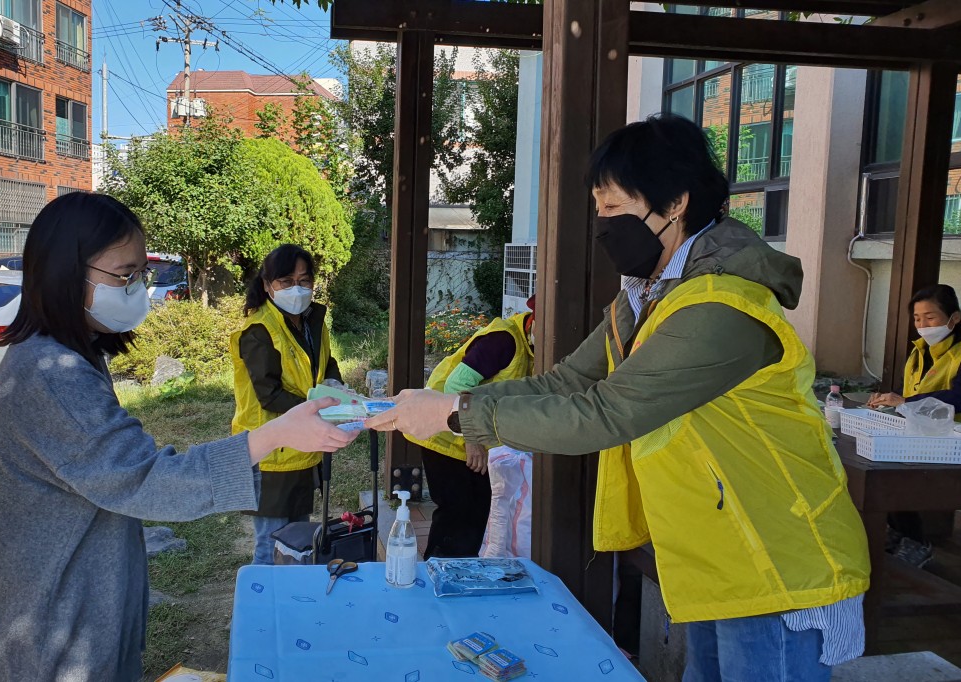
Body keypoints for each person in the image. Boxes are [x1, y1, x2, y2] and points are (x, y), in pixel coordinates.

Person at [366, 114, 871, 681]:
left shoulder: (721, 309)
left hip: (777, 558)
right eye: (597, 206)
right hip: (715, 556)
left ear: (674, 203)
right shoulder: (642, 301)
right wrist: (436, 403)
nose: (601, 222)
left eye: (613, 205)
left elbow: (607, 412)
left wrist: (458, 414)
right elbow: (564, 384)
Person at [0, 193, 358, 681]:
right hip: (55, 640)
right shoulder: (51, 376)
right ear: (66, 273)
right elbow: (150, 480)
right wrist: (278, 432)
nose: (137, 288)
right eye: (125, 275)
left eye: (142, 274)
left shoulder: (73, 357)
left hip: (81, 616)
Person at [231, 244, 343, 565]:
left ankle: (292, 608)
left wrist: (335, 387)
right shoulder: (258, 330)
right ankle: (261, 610)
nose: (297, 288)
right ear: (267, 285)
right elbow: (269, 393)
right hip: (269, 454)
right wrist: (318, 411)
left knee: (297, 543)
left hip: (303, 449)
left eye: (304, 280)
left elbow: (326, 363)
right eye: (286, 281)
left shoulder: (312, 321)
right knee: (270, 547)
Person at [405, 296, 536, 558]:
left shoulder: (531, 349)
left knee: (475, 514)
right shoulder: (504, 341)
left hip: (470, 439)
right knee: (457, 517)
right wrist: (472, 440)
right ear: (535, 318)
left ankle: (458, 581)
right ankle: (437, 577)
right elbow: (456, 385)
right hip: (446, 436)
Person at [868, 283, 961, 567]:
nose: (923, 324)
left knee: (893, 477)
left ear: (954, 318)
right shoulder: (919, 351)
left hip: (953, 440)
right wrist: (888, 400)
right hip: (921, 436)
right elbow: (908, 391)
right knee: (883, 466)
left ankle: (917, 542)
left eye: (930, 317)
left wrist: (905, 401)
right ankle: (901, 535)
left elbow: (958, 397)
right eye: (917, 318)